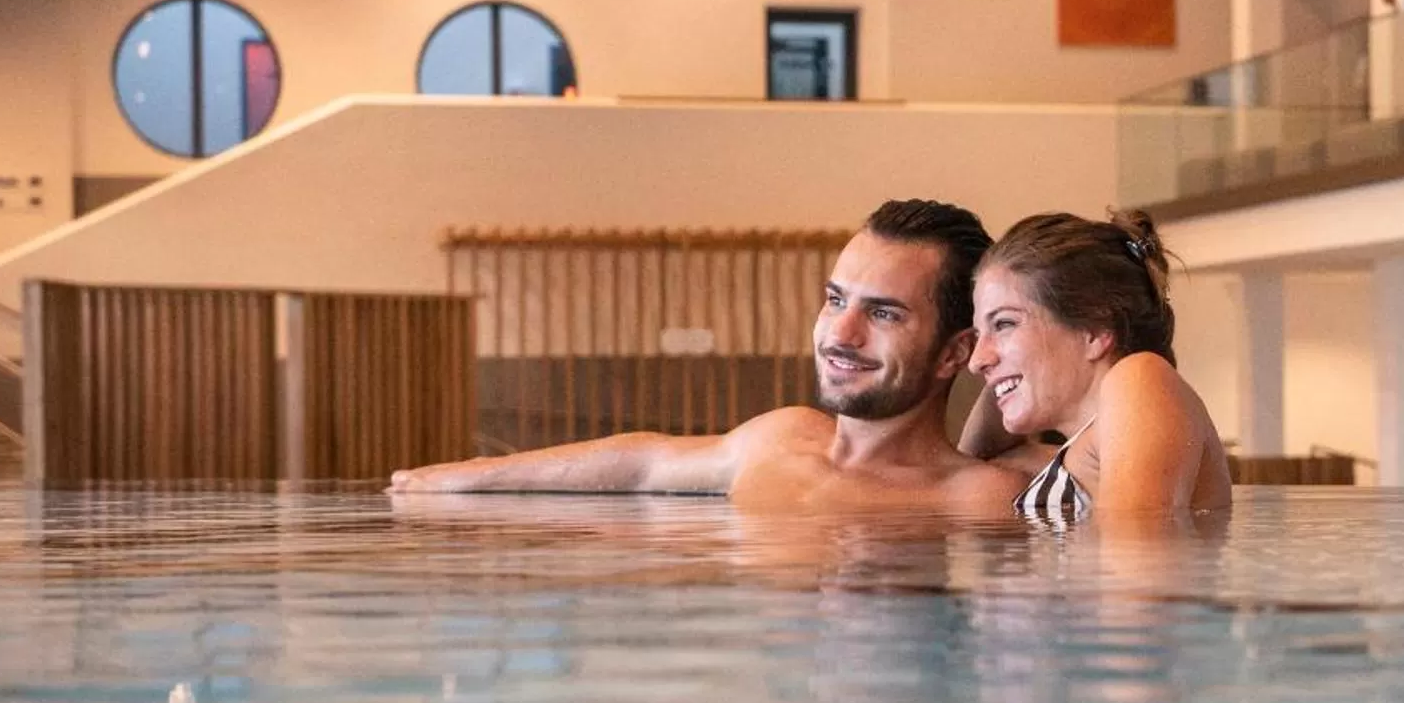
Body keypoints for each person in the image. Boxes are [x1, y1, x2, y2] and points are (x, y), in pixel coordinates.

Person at [388, 200, 1029, 517]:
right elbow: (643, 463)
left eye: (884, 313)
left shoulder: (979, 500)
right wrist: (473, 476)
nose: (842, 332)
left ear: (955, 352)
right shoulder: (782, 436)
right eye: (836, 300)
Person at [957, 209, 1233, 519]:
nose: (976, 360)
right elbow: (968, 471)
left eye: (1004, 323)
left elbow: (1137, 556)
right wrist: (1003, 376)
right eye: (980, 333)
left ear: (1094, 330)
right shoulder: (1080, 452)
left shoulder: (1139, 380)